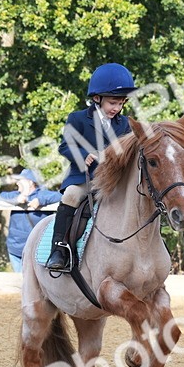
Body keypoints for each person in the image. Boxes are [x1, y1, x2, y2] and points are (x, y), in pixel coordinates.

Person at [45, 63, 138, 271]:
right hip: (86, 179)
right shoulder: (78, 118)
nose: (117, 108)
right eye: (113, 103)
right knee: (70, 195)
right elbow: (64, 146)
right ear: (97, 98)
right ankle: (58, 249)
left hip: (114, 181)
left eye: (121, 103)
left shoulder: (125, 124)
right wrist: (82, 155)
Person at [0, 169, 61, 272]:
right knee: (20, 282)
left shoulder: (42, 195)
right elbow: (1, 196)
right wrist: (17, 199)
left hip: (36, 249)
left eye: (21, 180)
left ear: (30, 182)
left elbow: (60, 196)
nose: (17, 182)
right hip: (15, 249)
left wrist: (40, 201)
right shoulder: (15, 195)